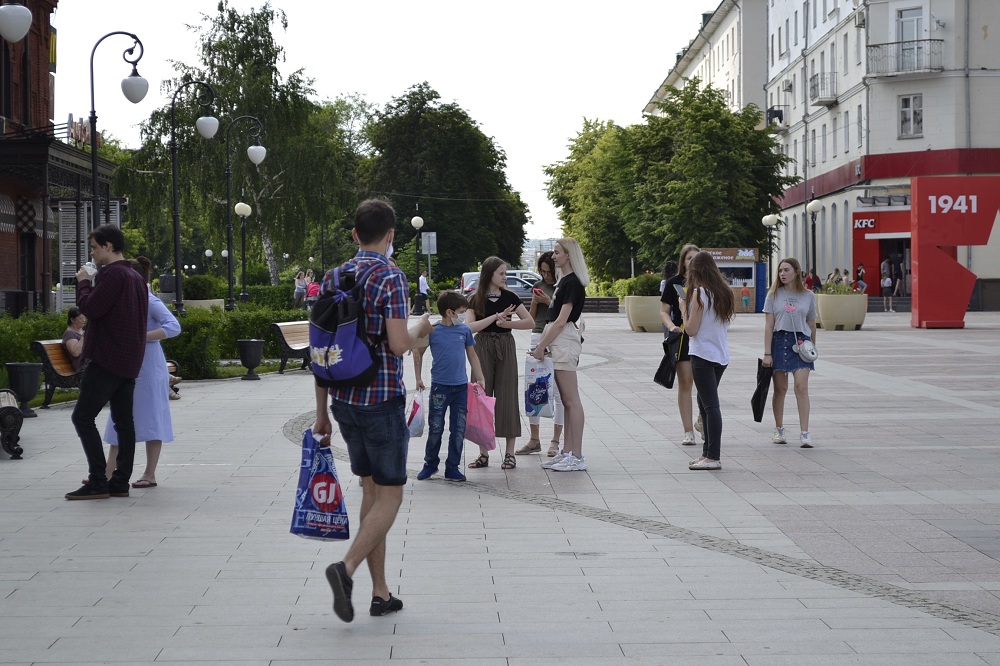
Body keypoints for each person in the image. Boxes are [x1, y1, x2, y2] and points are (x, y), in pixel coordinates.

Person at [314, 199, 432, 623]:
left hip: (344, 401)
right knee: (391, 495)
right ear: (391, 235)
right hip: (380, 399)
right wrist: (422, 329)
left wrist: (320, 412)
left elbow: (321, 346)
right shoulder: (391, 276)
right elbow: (400, 345)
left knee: (370, 492)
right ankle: (344, 571)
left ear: (354, 234)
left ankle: (380, 593)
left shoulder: (333, 276)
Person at [65, 224, 149, 500]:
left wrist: (84, 282)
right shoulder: (135, 275)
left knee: (82, 416)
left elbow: (91, 309)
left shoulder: (112, 274)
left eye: (94, 247)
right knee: (124, 421)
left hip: (107, 359)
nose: (93, 253)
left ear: (108, 246)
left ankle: (99, 480)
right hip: (129, 359)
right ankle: (120, 482)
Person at [95, 257, 181, 489]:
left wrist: (142, 337)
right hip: (129, 366)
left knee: (152, 418)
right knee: (119, 417)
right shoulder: (129, 299)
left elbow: (174, 326)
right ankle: (108, 471)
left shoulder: (150, 300)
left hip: (150, 368)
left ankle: (149, 473)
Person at [465, 256, 534, 471]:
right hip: (481, 347)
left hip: (505, 345)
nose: (505, 277)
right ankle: (483, 453)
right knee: (480, 397)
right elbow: (470, 328)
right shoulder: (474, 299)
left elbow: (530, 321)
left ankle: (509, 454)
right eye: (501, 273)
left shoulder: (510, 297)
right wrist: (495, 318)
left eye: (505, 273)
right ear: (489, 274)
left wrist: (505, 325)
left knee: (507, 397)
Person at [532, 237, 590, 472]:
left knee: (571, 400)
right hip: (559, 339)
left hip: (564, 339)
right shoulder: (564, 281)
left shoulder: (572, 283)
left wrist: (541, 345)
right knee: (566, 401)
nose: (553, 256)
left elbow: (561, 321)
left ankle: (576, 455)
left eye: (557, 252)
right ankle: (567, 452)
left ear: (568, 255)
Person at [416, 291, 486, 483]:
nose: (464, 315)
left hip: (460, 387)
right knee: (436, 427)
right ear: (449, 312)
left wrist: (480, 377)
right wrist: (418, 378)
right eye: (461, 311)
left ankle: (452, 467)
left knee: (458, 428)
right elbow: (418, 352)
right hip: (440, 387)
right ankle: (430, 464)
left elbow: (472, 354)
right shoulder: (433, 330)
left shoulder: (464, 330)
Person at [680, 251, 734, 471]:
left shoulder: (699, 294)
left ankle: (713, 455)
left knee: (710, 406)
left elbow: (691, 330)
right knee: (705, 405)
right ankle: (706, 453)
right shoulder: (724, 292)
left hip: (702, 354)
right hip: (720, 355)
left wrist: (684, 309)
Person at [763, 257, 818, 449]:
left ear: (796, 272)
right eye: (780, 271)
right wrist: (767, 353)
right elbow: (769, 325)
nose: (782, 274)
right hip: (780, 341)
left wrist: (812, 348)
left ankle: (805, 433)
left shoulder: (808, 296)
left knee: (801, 387)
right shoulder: (773, 295)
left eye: (786, 270)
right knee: (780, 389)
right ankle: (779, 429)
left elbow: (812, 324)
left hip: (802, 343)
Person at [516, 251, 564, 457]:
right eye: (543, 272)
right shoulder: (539, 285)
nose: (546, 276)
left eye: (549, 272)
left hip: (557, 336)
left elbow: (565, 314)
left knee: (558, 393)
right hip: (537, 335)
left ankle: (555, 441)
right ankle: (534, 439)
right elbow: (532, 320)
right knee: (535, 388)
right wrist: (535, 303)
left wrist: (550, 300)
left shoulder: (563, 285)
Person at [659, 244, 700, 445]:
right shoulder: (674, 283)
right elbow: (664, 311)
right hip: (683, 336)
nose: (692, 262)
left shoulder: (707, 283)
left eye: (696, 258)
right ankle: (688, 431)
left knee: (706, 383)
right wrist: (671, 326)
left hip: (704, 337)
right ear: (683, 261)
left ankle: (702, 419)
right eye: (689, 258)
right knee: (686, 382)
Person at [62, 307, 87, 372]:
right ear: (72, 320)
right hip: (82, 366)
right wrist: (83, 337)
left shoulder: (82, 331)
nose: (84, 320)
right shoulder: (70, 333)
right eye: (81, 318)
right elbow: (75, 353)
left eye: (84, 318)